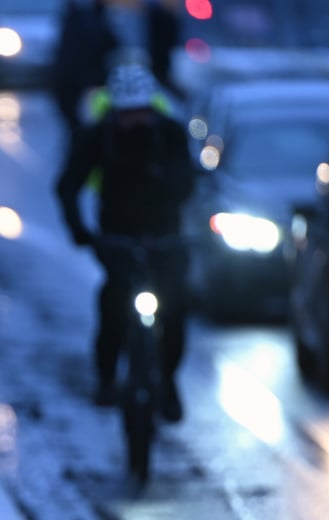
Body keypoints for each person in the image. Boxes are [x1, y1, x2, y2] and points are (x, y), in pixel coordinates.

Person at [54, 55, 195, 419]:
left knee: (175, 310)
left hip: (166, 236)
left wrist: (168, 182)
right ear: (115, 110)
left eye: (142, 112)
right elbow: (68, 185)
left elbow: (190, 181)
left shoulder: (170, 133)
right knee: (113, 308)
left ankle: (168, 381)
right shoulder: (96, 136)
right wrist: (80, 232)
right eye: (128, 113)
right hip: (117, 236)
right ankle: (105, 378)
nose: (136, 120)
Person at [49, 0, 120, 133]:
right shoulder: (92, 20)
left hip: (72, 82)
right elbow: (111, 43)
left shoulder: (73, 18)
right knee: (89, 128)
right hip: (88, 83)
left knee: (79, 128)